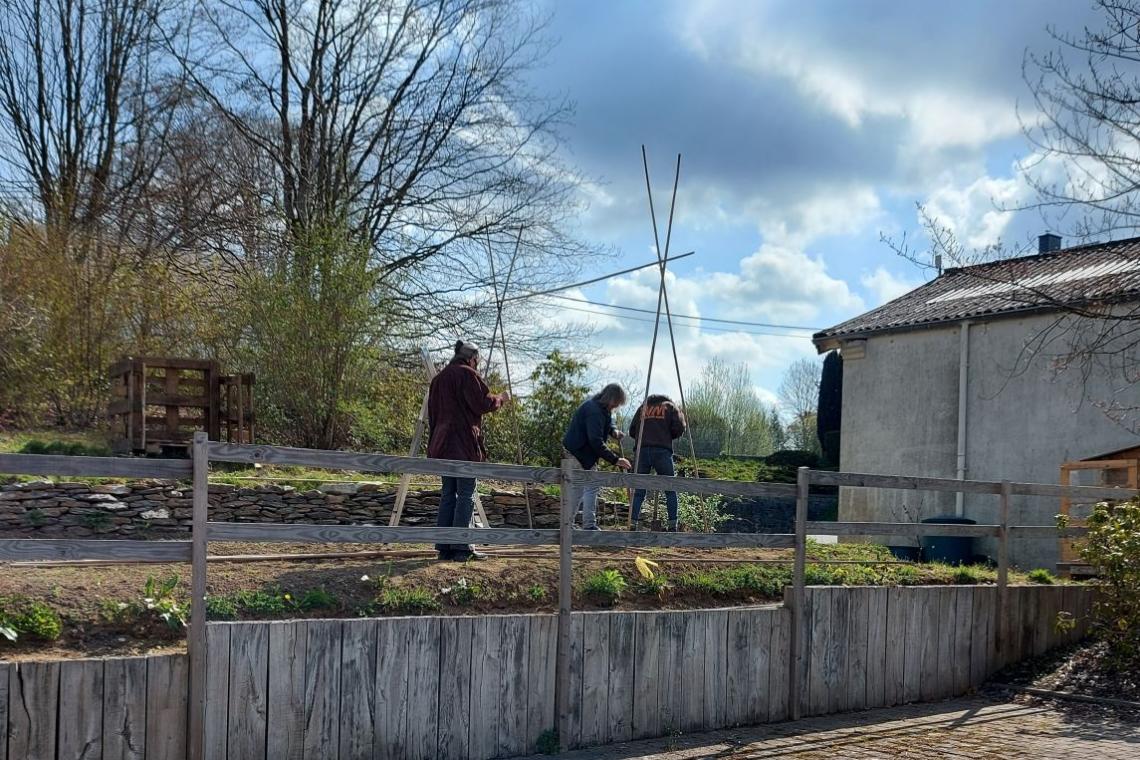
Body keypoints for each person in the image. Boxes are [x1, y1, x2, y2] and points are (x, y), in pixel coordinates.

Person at [427, 340, 510, 561]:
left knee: (448, 494)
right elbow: (482, 403)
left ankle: (445, 547)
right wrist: (500, 399)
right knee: (465, 494)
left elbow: (433, 417)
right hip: (462, 444)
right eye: (477, 362)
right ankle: (462, 547)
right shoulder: (467, 374)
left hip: (442, 444)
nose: (477, 366)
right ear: (472, 359)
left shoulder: (438, 380)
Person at [561, 383, 632, 529]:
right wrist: (616, 460)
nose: (616, 406)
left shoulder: (601, 408)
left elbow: (607, 421)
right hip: (576, 453)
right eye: (616, 403)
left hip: (585, 455)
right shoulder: (594, 411)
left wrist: (613, 431)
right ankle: (568, 525)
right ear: (611, 399)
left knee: (591, 486)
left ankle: (587, 525)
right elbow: (595, 441)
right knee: (579, 488)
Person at [628, 394, 687, 531]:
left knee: (638, 490)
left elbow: (632, 431)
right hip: (662, 451)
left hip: (641, 451)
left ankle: (632, 524)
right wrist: (666, 435)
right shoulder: (670, 407)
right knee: (670, 490)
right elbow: (679, 428)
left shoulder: (642, 408)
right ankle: (673, 526)